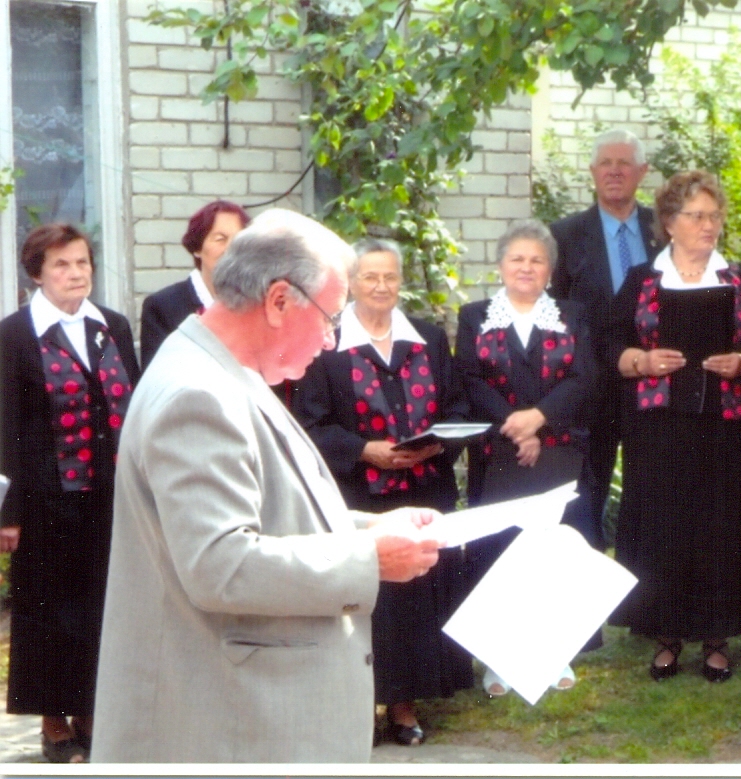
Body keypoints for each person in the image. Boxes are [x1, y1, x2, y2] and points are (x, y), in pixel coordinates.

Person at [90, 209, 444, 763]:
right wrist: (368, 558)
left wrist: (373, 527)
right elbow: (221, 565)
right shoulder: (197, 393)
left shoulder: (228, 372)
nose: (331, 340)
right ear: (279, 301)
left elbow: (268, 510)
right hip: (223, 731)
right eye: (330, 318)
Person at [291, 238, 473, 746]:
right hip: (359, 499)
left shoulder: (429, 339)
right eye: (370, 276)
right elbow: (308, 424)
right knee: (369, 604)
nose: (381, 286)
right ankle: (356, 710)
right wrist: (364, 450)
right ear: (352, 283)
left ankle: (403, 707)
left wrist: (434, 446)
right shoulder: (328, 344)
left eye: (390, 276)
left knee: (413, 604)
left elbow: (457, 408)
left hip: (424, 492)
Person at [605, 170, 741, 683]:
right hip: (658, 429)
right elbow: (608, 344)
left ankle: (718, 638)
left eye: (714, 215)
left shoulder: (740, 278)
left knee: (722, 527)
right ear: (670, 223)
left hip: (726, 426)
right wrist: (641, 361)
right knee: (665, 526)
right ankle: (666, 634)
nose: (708, 225)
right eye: (696, 215)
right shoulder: (642, 280)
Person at [0, 224, 140, 763]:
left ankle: (91, 713)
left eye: (82, 262)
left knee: (102, 606)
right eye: (61, 264)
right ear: (37, 273)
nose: (76, 273)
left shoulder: (112, 327)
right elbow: (5, 425)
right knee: (48, 610)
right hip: (43, 499)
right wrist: (8, 510)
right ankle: (53, 722)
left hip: (109, 497)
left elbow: (133, 407)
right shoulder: (15, 335)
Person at [456, 219, 596, 695]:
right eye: (517, 258)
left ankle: (555, 653)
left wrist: (540, 419)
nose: (526, 267)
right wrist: (516, 426)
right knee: (500, 549)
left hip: (559, 449)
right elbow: (469, 379)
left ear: (550, 270)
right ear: (500, 265)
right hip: (498, 451)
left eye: (537, 260)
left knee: (551, 550)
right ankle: (499, 658)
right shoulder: (474, 316)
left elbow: (584, 377)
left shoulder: (572, 315)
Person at [549, 129, 662, 549]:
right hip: (591, 386)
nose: (614, 172)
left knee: (653, 493)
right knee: (586, 494)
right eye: (606, 164)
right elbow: (556, 315)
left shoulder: (665, 229)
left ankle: (644, 583)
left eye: (624, 163)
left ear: (642, 171)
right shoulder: (564, 236)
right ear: (593, 171)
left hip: (653, 383)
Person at [139, 200, 250, 368]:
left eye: (239, 241)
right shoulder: (162, 307)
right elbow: (159, 377)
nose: (230, 249)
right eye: (220, 239)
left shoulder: (258, 303)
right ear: (197, 248)